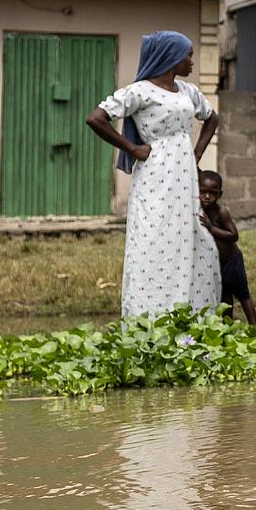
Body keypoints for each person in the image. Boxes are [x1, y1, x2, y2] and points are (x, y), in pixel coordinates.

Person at [86, 30, 221, 318]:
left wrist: (194, 154)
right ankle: (148, 313)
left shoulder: (188, 91)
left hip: (184, 173)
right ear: (172, 57)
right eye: (188, 55)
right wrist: (133, 149)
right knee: (152, 238)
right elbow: (96, 118)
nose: (192, 61)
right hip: (155, 172)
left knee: (188, 236)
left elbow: (211, 118)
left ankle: (186, 311)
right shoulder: (140, 91)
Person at [197, 170, 256, 325]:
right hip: (218, 262)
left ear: (220, 194)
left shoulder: (220, 212)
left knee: (243, 294)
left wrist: (211, 228)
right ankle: (228, 327)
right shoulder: (200, 210)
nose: (208, 197)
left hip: (232, 260)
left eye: (213, 193)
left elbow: (233, 235)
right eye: (203, 192)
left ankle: (254, 327)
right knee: (225, 296)